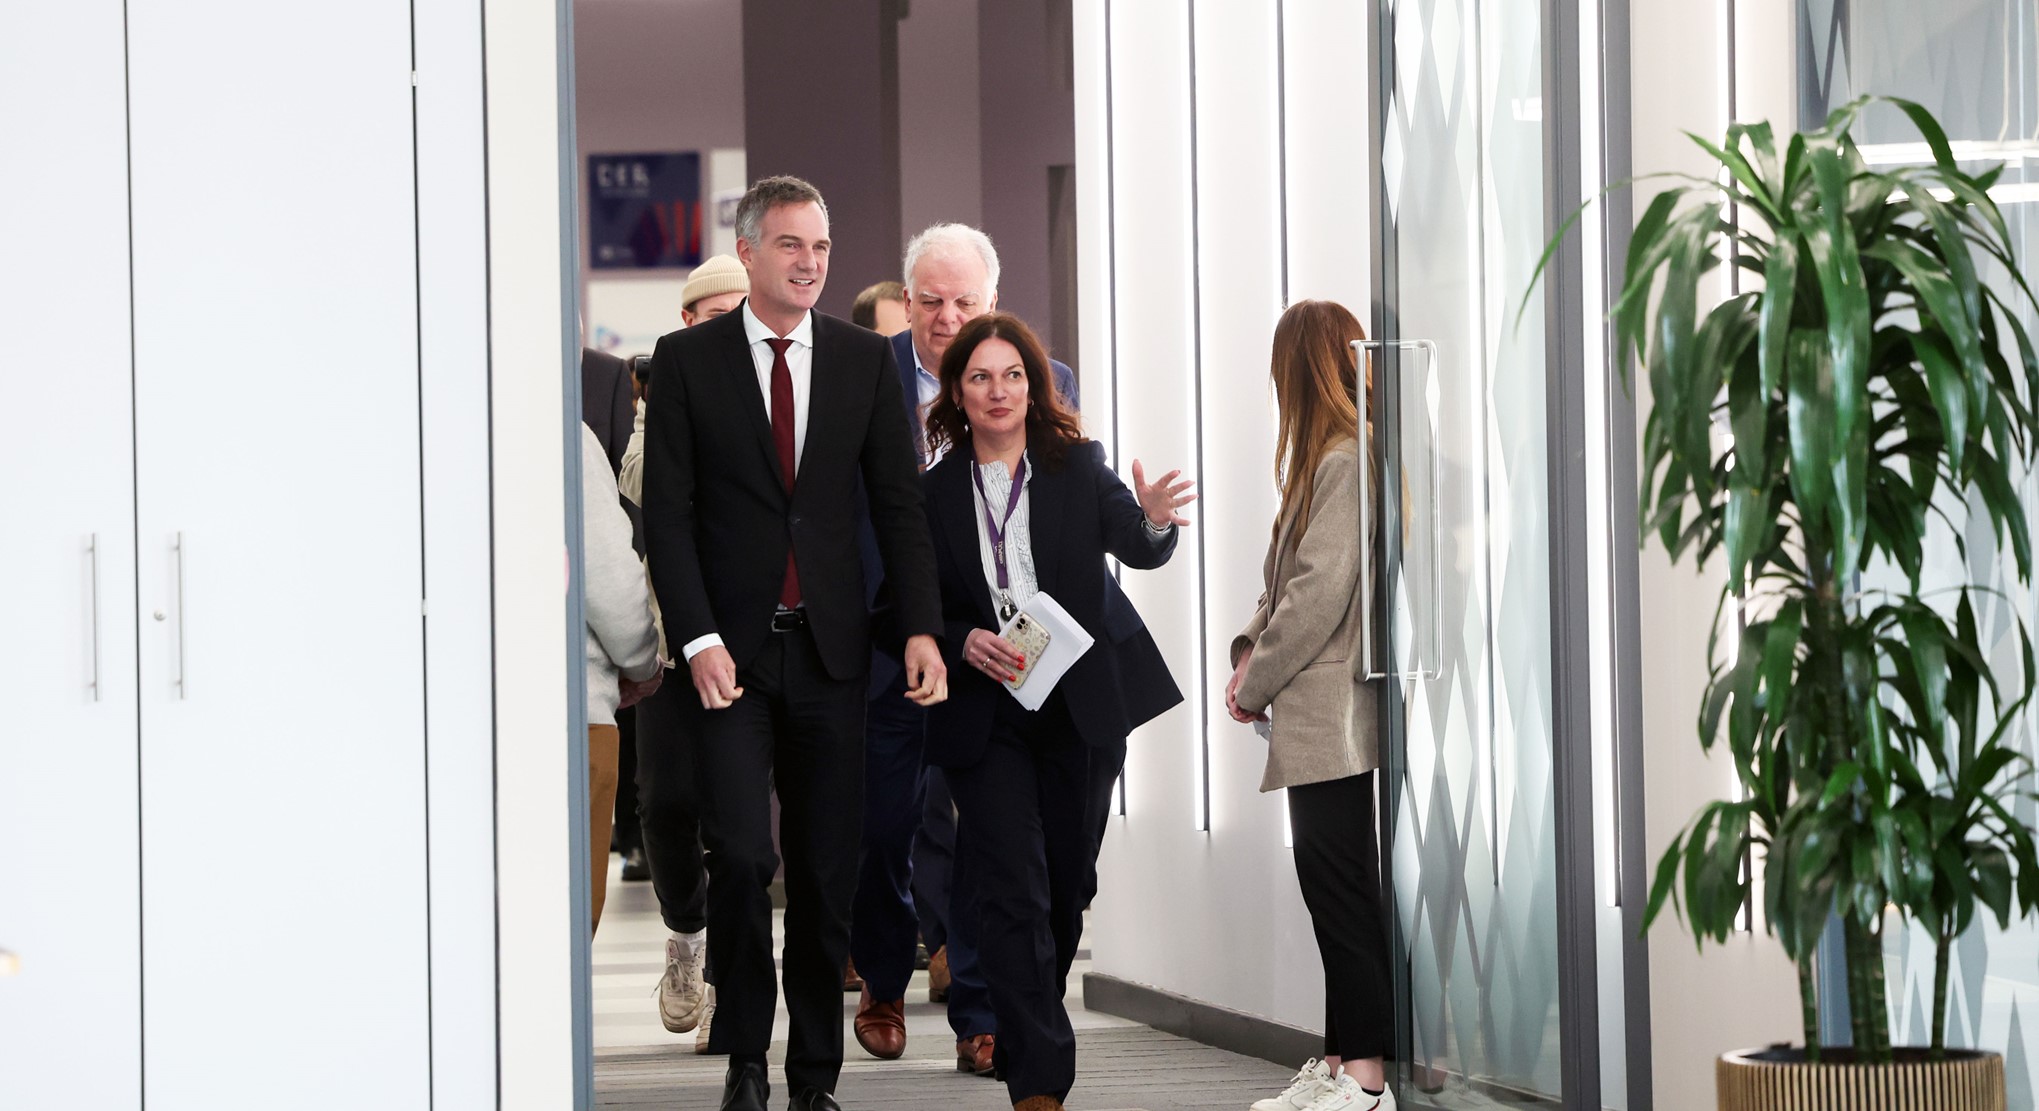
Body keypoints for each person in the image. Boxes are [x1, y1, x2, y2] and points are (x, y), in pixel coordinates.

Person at [641, 175, 947, 1111]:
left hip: (832, 653)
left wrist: (923, 627)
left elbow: (899, 507)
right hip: (727, 655)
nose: (809, 261)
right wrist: (693, 637)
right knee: (738, 855)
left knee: (824, 868)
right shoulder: (687, 362)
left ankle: (814, 1074)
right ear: (747, 252)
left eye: (819, 245)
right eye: (788, 245)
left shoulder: (861, 361)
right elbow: (668, 515)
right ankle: (743, 1055)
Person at [921, 312, 1193, 1111]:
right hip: (986, 709)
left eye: (1011, 375)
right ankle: (1039, 1079)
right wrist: (961, 638)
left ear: (1034, 387)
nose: (997, 391)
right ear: (957, 393)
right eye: (979, 377)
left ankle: (1030, 1017)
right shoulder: (933, 491)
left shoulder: (1076, 466)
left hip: (1076, 703)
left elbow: (1136, 543)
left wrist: (1151, 517)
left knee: (1064, 883)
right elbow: (902, 604)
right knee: (1011, 886)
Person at [848, 222, 1082, 1075]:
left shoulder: (1040, 381)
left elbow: (1068, 516)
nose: (949, 319)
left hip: (996, 662)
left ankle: (981, 1014)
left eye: (966, 302)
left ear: (992, 299)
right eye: (932, 301)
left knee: (988, 840)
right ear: (904, 302)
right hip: (888, 640)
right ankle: (879, 973)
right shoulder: (861, 377)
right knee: (885, 824)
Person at [1228, 300, 1394, 1111]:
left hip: (1331, 713)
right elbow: (1281, 588)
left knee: (1339, 891)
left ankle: (1364, 1078)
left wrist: (1253, 677)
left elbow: (1317, 593)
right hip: (1312, 711)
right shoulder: (1325, 460)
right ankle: (1338, 1064)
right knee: (1328, 885)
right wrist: (1245, 654)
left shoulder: (1342, 458)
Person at [618, 252, 751, 1051]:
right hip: (674, 637)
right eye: (712, 316)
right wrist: (663, 404)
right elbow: (638, 483)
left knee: (742, 830)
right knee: (664, 802)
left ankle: (733, 996)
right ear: (686, 322)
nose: (726, 330)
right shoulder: (662, 390)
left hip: (756, 641)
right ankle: (686, 939)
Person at [579, 421, 661, 933]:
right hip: (574, 714)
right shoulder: (561, 433)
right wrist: (642, 663)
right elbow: (608, 577)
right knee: (568, 916)